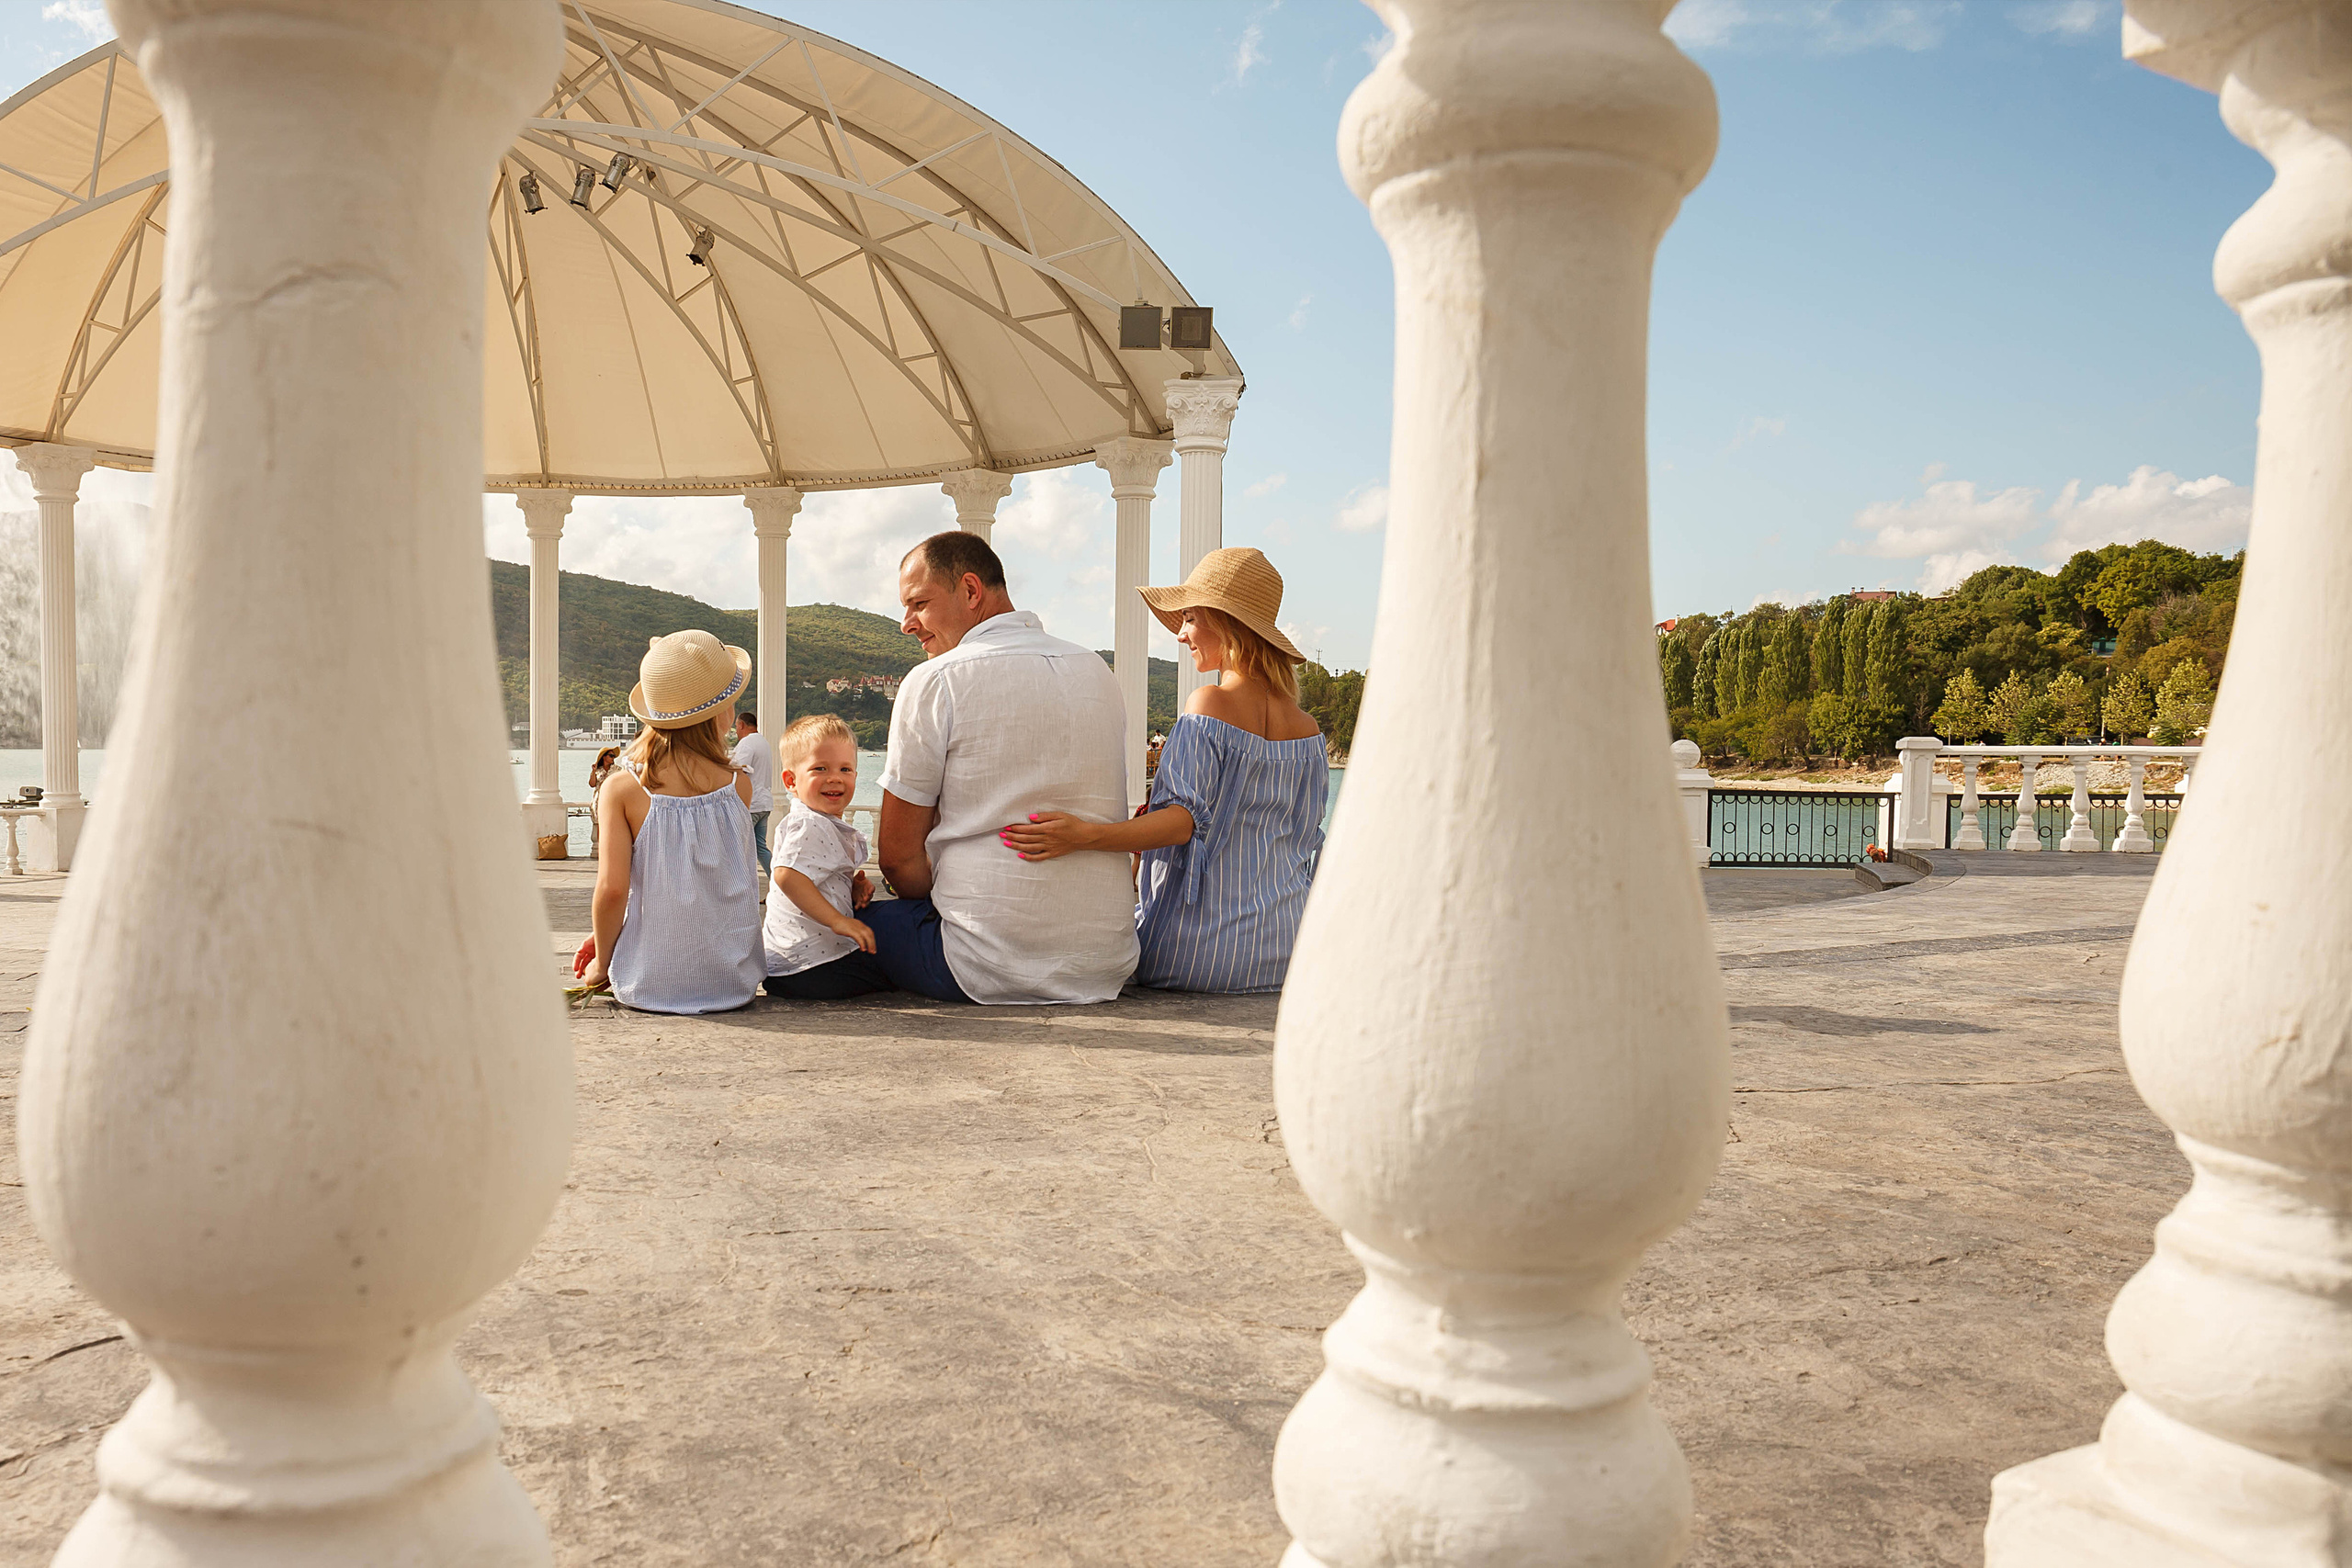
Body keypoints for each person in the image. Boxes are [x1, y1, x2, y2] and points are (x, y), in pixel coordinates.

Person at [1001, 547, 1325, 995]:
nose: (1181, 634)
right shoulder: (1308, 730)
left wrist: (1083, 835)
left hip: (1202, 952)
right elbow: (1305, 840)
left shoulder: (1208, 704)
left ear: (1226, 622)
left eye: (1190, 618)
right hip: (1289, 947)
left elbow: (1179, 823)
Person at [870, 530, 1136, 1004]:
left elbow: (897, 857)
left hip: (980, 963)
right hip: (1104, 962)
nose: (907, 624)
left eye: (919, 604)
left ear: (971, 590)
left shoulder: (936, 679)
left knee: (824, 935)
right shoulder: (1097, 670)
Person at [576, 630, 764, 1013]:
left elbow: (613, 890)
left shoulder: (622, 789)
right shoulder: (739, 785)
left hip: (651, 983)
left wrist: (603, 960)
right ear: (722, 714)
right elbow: (710, 885)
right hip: (732, 982)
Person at [760, 714, 889, 998]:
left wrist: (850, 888)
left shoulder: (819, 822)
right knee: (898, 962)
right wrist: (837, 920)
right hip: (812, 964)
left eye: (845, 769)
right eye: (820, 768)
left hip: (790, 965)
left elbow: (811, 878)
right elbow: (787, 875)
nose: (835, 778)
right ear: (791, 781)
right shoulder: (809, 823)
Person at [729, 708, 775, 882]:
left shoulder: (747, 743)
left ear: (741, 725)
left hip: (751, 805)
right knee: (760, 848)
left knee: (738, 848)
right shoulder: (763, 742)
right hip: (764, 803)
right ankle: (778, 884)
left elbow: (737, 770)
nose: (736, 731)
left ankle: (740, 885)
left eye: (736, 727)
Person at [586, 745, 623, 853]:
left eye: (614, 756)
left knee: (612, 824)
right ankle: (601, 850)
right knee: (599, 825)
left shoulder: (617, 770)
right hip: (599, 800)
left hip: (612, 799)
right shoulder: (597, 770)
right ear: (604, 757)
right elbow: (592, 784)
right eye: (611, 755)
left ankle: (612, 850)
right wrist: (593, 771)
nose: (613, 758)